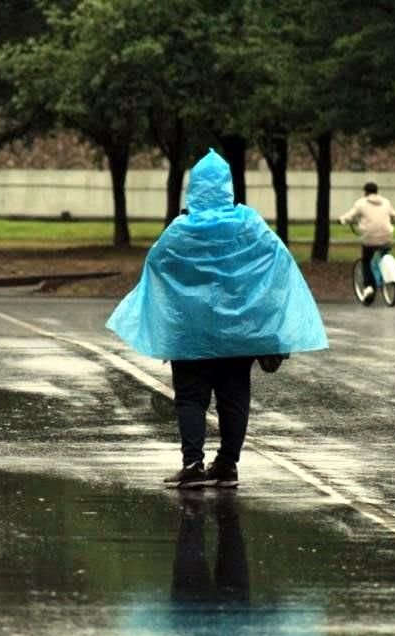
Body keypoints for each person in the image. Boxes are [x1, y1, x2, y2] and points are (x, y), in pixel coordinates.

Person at [106, 149, 328, 489]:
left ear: (194, 189)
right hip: (239, 333)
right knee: (234, 397)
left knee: (191, 398)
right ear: (228, 187)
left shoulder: (182, 230)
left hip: (191, 333)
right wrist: (267, 319)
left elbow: (157, 265)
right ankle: (227, 466)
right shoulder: (249, 224)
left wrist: (168, 316)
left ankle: (193, 464)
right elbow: (278, 261)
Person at [338, 182, 395, 302]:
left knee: (366, 260)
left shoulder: (361, 203)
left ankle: (369, 286)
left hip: (370, 238)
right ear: (377, 191)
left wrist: (341, 220)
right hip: (386, 236)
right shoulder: (386, 202)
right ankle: (387, 275)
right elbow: (393, 214)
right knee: (384, 253)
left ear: (365, 192)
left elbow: (350, 216)